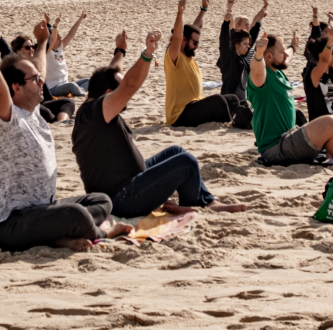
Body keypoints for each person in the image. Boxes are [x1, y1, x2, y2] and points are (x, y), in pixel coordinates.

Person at [0, 26, 131, 252]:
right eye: (35, 80)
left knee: (101, 201)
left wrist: (43, 40)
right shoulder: (8, 118)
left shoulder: (33, 110)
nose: (41, 81)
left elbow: (39, 67)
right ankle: (102, 233)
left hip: (42, 209)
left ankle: (56, 237)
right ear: (16, 87)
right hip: (9, 224)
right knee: (77, 215)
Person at [72, 30, 248, 218]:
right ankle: (200, 204)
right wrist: (147, 54)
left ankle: (204, 200)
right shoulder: (96, 113)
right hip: (123, 198)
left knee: (176, 151)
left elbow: (113, 75)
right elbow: (128, 85)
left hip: (129, 182)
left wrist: (120, 50)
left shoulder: (91, 108)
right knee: (186, 163)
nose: (125, 98)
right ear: (107, 93)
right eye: (118, 94)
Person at [247, 26, 333, 165]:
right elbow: (256, 70)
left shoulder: (278, 71)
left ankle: (332, 156)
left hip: (291, 139)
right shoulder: (262, 79)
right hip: (276, 149)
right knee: (330, 123)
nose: (285, 54)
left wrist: (293, 47)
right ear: (269, 56)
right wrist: (258, 54)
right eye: (281, 52)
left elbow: (288, 56)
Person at [165, 0, 242, 126]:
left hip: (195, 106)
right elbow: (177, 36)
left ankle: (234, 120)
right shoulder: (174, 56)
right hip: (180, 114)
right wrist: (180, 12)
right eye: (194, 43)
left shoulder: (188, 58)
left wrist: (204, 9)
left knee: (232, 100)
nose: (197, 46)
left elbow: (196, 27)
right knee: (218, 100)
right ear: (184, 40)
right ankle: (229, 124)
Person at [0, 19, 75, 122]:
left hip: (42, 101)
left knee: (68, 103)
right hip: (28, 104)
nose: (31, 49)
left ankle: (62, 121)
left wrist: (48, 25)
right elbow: (6, 51)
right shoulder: (16, 65)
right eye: (27, 47)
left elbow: (46, 42)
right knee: (45, 112)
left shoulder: (36, 61)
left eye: (32, 47)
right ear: (18, 50)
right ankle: (60, 120)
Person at [217, 0, 267, 128]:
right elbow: (225, 41)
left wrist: (260, 18)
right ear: (237, 44)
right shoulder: (230, 58)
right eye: (245, 44)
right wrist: (226, 21)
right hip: (232, 103)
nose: (248, 47)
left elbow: (253, 32)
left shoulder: (244, 59)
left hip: (244, 101)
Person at [45, 12, 88, 98]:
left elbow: (71, 34)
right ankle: (81, 93)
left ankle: (80, 91)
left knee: (89, 80)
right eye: (59, 38)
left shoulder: (60, 47)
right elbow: (52, 37)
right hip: (54, 88)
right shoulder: (48, 52)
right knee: (72, 86)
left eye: (61, 37)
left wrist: (80, 19)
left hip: (66, 83)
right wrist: (54, 24)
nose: (61, 39)